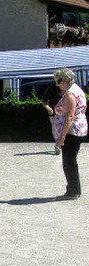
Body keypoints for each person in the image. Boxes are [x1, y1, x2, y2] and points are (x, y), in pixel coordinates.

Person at [52, 68, 87, 200]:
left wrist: (62, 136)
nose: (57, 84)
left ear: (66, 80)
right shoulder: (76, 89)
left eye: (59, 81)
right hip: (77, 128)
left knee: (69, 162)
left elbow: (70, 116)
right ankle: (73, 189)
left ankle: (73, 191)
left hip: (72, 131)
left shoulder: (70, 93)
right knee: (70, 161)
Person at [41, 87, 62, 155]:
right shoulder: (51, 88)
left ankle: (63, 145)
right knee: (55, 130)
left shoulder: (69, 88)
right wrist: (48, 108)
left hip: (65, 113)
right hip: (53, 113)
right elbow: (44, 101)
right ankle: (58, 145)